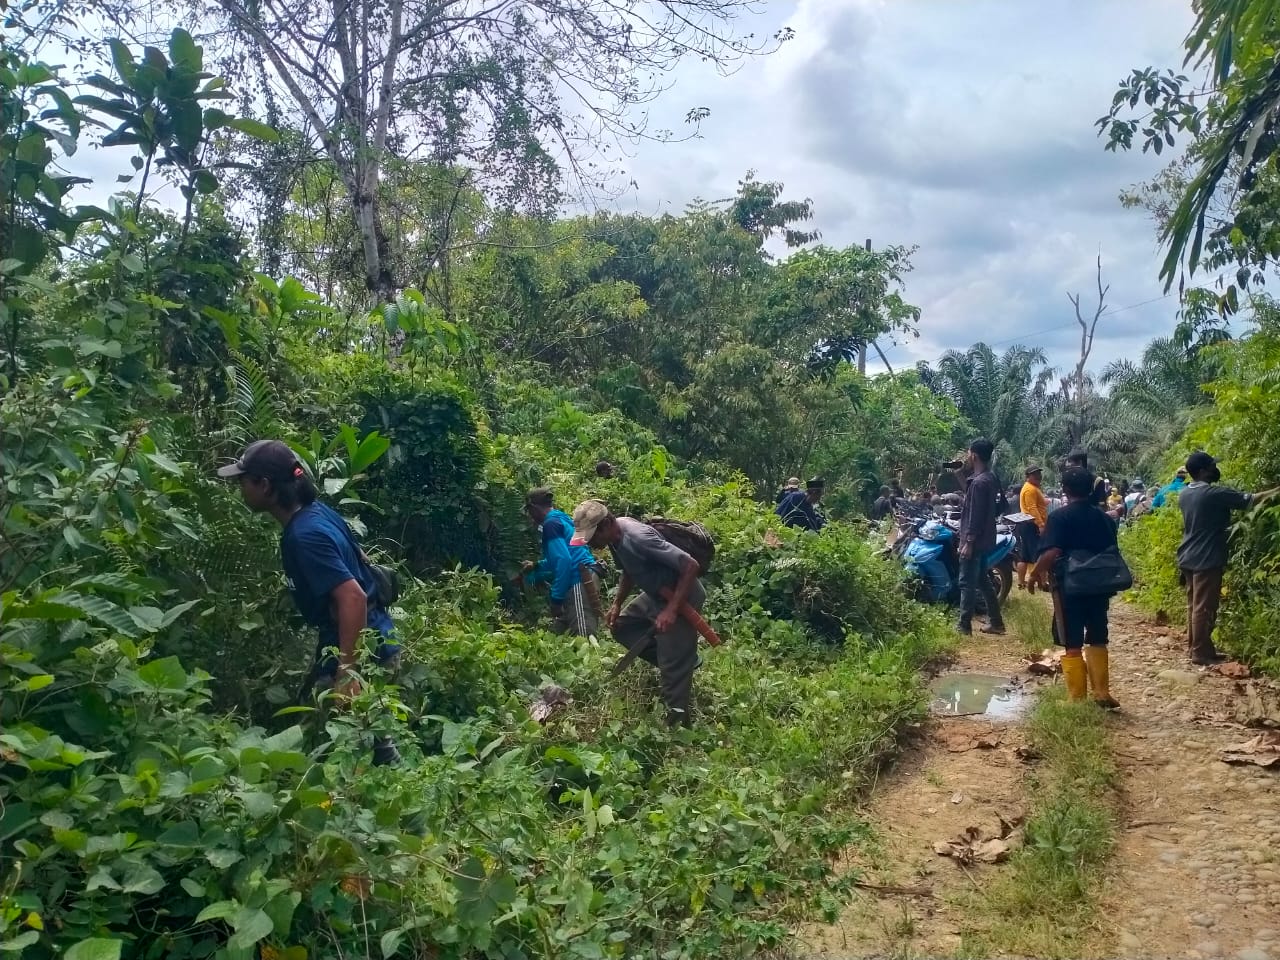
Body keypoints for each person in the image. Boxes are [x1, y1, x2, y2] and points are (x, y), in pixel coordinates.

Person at [217, 439, 401, 765]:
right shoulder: (317, 514)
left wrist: (347, 673)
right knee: (373, 748)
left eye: (243, 481)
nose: (240, 488)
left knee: (344, 756)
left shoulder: (305, 535)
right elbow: (360, 558)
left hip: (361, 650)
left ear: (265, 485)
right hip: (378, 639)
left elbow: (353, 597)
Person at [571, 500, 704, 726]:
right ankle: (680, 660)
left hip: (682, 598)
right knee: (622, 627)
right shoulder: (614, 540)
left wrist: (671, 611)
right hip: (655, 595)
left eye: (593, 536)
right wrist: (616, 604)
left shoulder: (639, 538)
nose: (591, 543)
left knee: (673, 670)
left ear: (608, 523)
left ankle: (678, 729)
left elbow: (690, 566)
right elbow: (629, 572)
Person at [1031, 467, 1122, 707]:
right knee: (1098, 635)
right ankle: (1102, 692)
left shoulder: (1060, 517)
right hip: (1100, 585)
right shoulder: (1104, 518)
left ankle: (1076, 697)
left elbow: (1052, 551)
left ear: (1065, 489)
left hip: (1069, 587)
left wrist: (1034, 573)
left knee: (1072, 638)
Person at [1177, 452, 1276, 665]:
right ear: (1203, 471)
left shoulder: (1185, 493)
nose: (1215, 469)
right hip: (1206, 556)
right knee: (1204, 607)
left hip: (1188, 554)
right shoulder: (1212, 493)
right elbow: (1249, 500)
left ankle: (1196, 647)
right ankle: (1200, 653)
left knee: (1194, 605)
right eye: (1212, 465)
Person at [519, 488, 602, 636]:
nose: (530, 516)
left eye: (529, 511)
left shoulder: (551, 524)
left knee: (585, 636)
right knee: (561, 633)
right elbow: (558, 558)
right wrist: (536, 565)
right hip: (587, 575)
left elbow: (564, 561)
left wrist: (556, 599)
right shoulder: (561, 519)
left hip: (579, 580)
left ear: (534, 508)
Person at [957, 439, 1004, 635]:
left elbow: (975, 514)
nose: (967, 456)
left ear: (974, 455)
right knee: (983, 580)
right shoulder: (990, 478)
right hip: (986, 538)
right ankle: (996, 622)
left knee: (966, 582)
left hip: (975, 540)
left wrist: (968, 542)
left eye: (968, 453)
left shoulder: (979, 483)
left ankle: (964, 626)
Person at [1017, 465, 1048, 593]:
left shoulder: (1032, 488)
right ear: (1028, 476)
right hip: (1032, 525)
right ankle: (1042, 583)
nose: (1038, 476)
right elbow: (1032, 509)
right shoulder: (1030, 489)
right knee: (1039, 555)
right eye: (1034, 474)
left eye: (1039, 474)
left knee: (1024, 556)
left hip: (1027, 524)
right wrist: (1040, 525)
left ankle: (1021, 582)